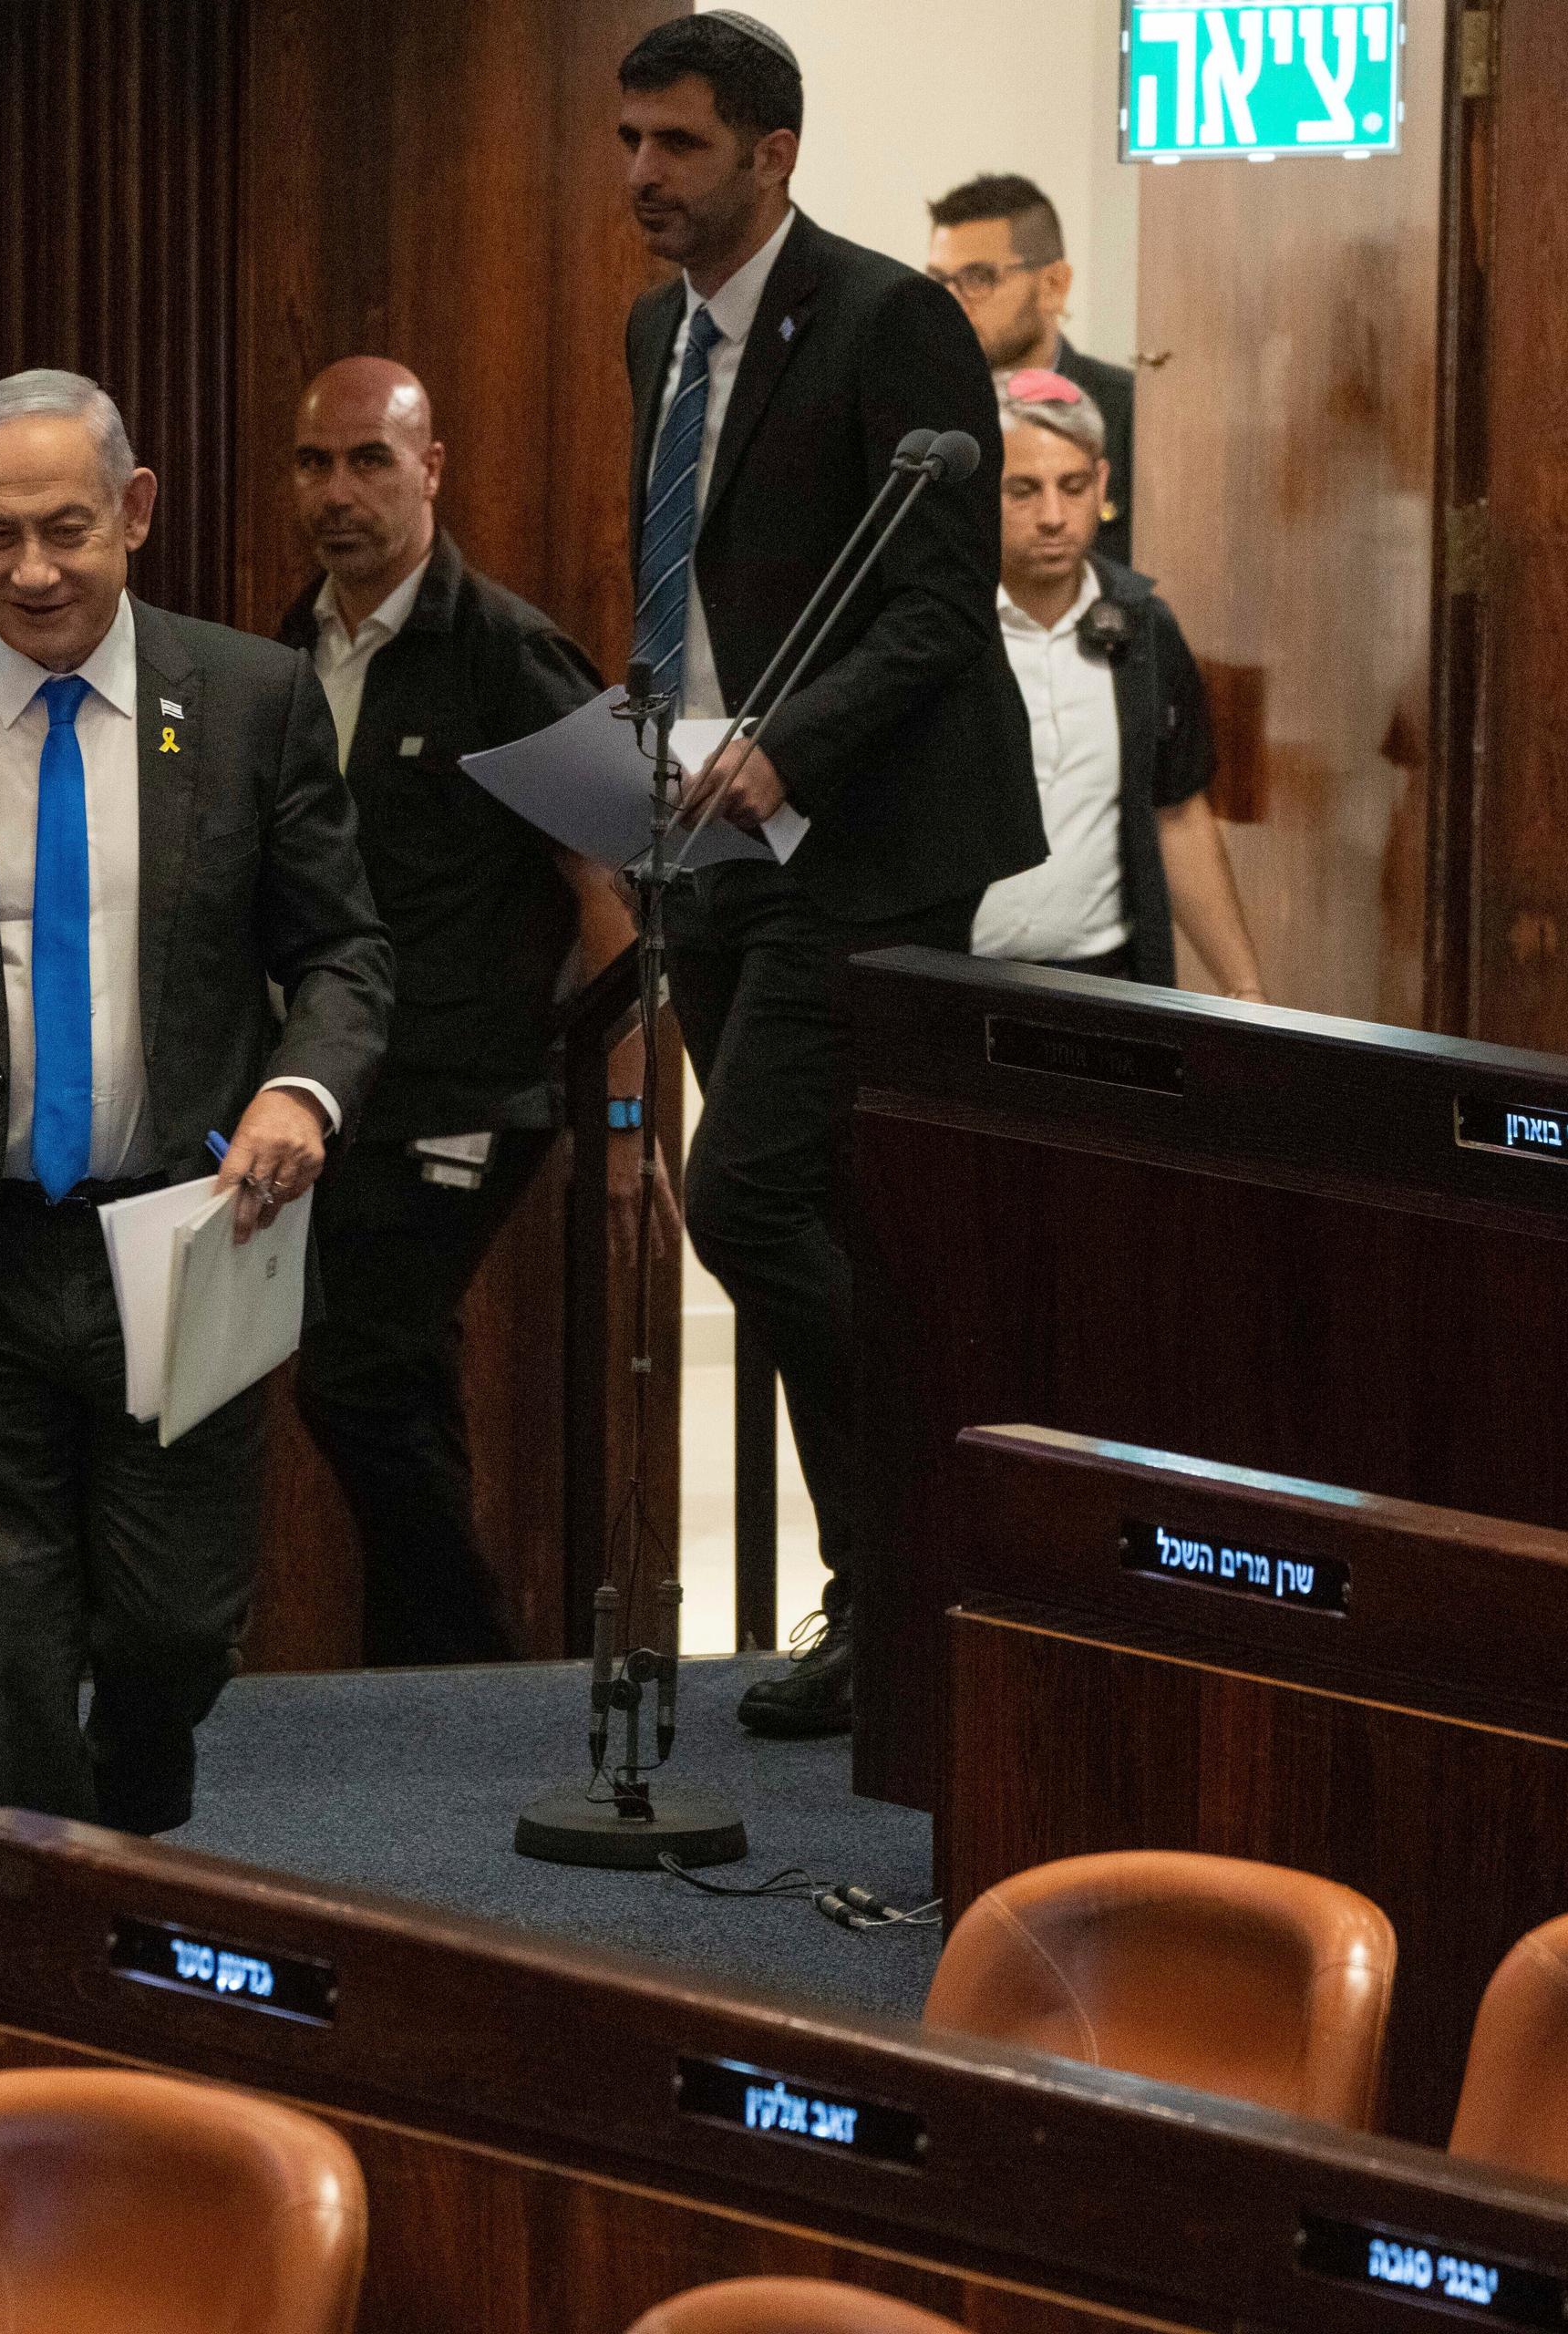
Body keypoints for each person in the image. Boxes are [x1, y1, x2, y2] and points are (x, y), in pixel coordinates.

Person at [0, 369, 391, 1833]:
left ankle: (128, 1805)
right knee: (3, 1656)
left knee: (173, 1630)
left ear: (137, 514)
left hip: (186, 1238)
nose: (32, 572)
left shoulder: (232, 707)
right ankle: (35, 1970)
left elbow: (345, 950)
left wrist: (306, 1088)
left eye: (67, 531)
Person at [616, 13, 1042, 1738]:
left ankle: (920, 1571)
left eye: (681, 145)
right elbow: (697, 576)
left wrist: (790, 745)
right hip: (715, 829)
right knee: (821, 1218)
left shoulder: (890, 318)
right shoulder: (658, 329)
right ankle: (886, 1604)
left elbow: (939, 606)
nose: (644, 174)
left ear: (772, 153)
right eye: (630, 141)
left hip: (867, 839)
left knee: (748, 1199)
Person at [274, 356, 652, 1665]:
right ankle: (423, 1693)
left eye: (371, 460)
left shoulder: (504, 647)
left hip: (475, 1093)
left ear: (430, 469)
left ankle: (473, 1657)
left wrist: (623, 1127)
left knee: (355, 1376)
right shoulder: (288, 649)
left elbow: (624, 892)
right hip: (342, 1093)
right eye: (317, 462)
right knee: (398, 1387)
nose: (341, 492)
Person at [971, 372, 1264, 1000]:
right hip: (956, 978)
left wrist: (1244, 990)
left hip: (1105, 977)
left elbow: (1178, 812)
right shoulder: (938, 625)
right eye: (1022, 491)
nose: (1053, 516)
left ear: (1101, 484)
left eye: (1072, 487)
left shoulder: (1144, 626)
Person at [925, 172, 1136, 566]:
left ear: (1053, 285)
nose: (951, 304)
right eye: (940, 281)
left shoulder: (1130, 415)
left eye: (978, 278)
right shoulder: (919, 411)